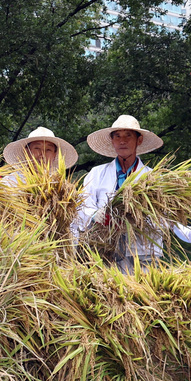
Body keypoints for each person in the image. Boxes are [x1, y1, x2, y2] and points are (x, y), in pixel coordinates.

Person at [78, 115, 166, 273]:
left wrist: (139, 219)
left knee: (142, 294)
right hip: (104, 249)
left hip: (142, 251)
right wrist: (94, 215)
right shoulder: (97, 174)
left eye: (128, 136)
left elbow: (164, 217)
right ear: (112, 141)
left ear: (138, 140)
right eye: (117, 136)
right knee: (108, 294)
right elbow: (83, 205)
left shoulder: (153, 178)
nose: (122, 141)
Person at [1, 126, 78, 172]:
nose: (42, 155)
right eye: (37, 148)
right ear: (26, 152)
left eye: (48, 150)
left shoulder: (60, 188)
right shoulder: (10, 184)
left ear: (55, 154)